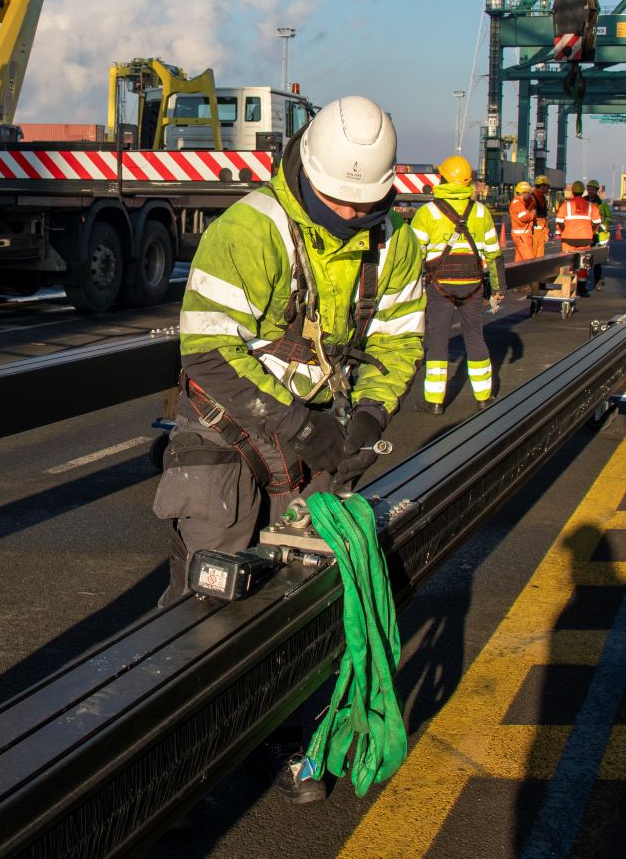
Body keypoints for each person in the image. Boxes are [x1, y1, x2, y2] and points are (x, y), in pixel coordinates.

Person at [151, 95, 424, 798]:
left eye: (368, 207)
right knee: (209, 590)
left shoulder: (394, 243)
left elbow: (397, 342)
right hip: (230, 433)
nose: (355, 218)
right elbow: (207, 353)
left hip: (317, 442)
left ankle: (279, 723)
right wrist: (302, 427)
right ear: (308, 173)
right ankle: (173, 760)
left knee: (302, 594)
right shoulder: (252, 231)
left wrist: (367, 417)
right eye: (342, 206)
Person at [409, 155, 505, 414]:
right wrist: (498, 289)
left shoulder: (427, 213)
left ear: (441, 179)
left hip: (439, 288)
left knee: (438, 340)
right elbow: (494, 255)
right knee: (475, 337)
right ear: (469, 182)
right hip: (473, 285)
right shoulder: (481, 212)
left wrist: (411, 291)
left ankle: (435, 401)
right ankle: (484, 396)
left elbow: (414, 257)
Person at [556, 179, 605, 295]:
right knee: (583, 264)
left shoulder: (566, 204)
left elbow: (559, 221)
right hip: (585, 239)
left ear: (572, 192)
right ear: (583, 191)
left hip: (568, 238)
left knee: (567, 263)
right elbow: (598, 221)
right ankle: (581, 289)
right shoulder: (590, 205)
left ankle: (567, 289)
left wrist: (566, 229)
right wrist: (590, 231)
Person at [507, 180, 544, 262]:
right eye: (529, 193)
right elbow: (524, 217)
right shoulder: (518, 203)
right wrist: (533, 214)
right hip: (522, 237)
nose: (530, 195)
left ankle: (518, 275)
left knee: (519, 261)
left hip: (522, 236)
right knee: (529, 261)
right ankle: (531, 275)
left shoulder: (521, 202)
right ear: (525, 192)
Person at [585, 178, 612, 286]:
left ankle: (597, 281)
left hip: (597, 235)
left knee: (597, 260)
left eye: (592, 189)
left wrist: (604, 227)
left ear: (596, 190)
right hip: (585, 233)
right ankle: (582, 283)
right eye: (589, 189)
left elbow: (609, 217)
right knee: (584, 259)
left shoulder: (602, 204)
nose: (590, 191)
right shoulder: (583, 201)